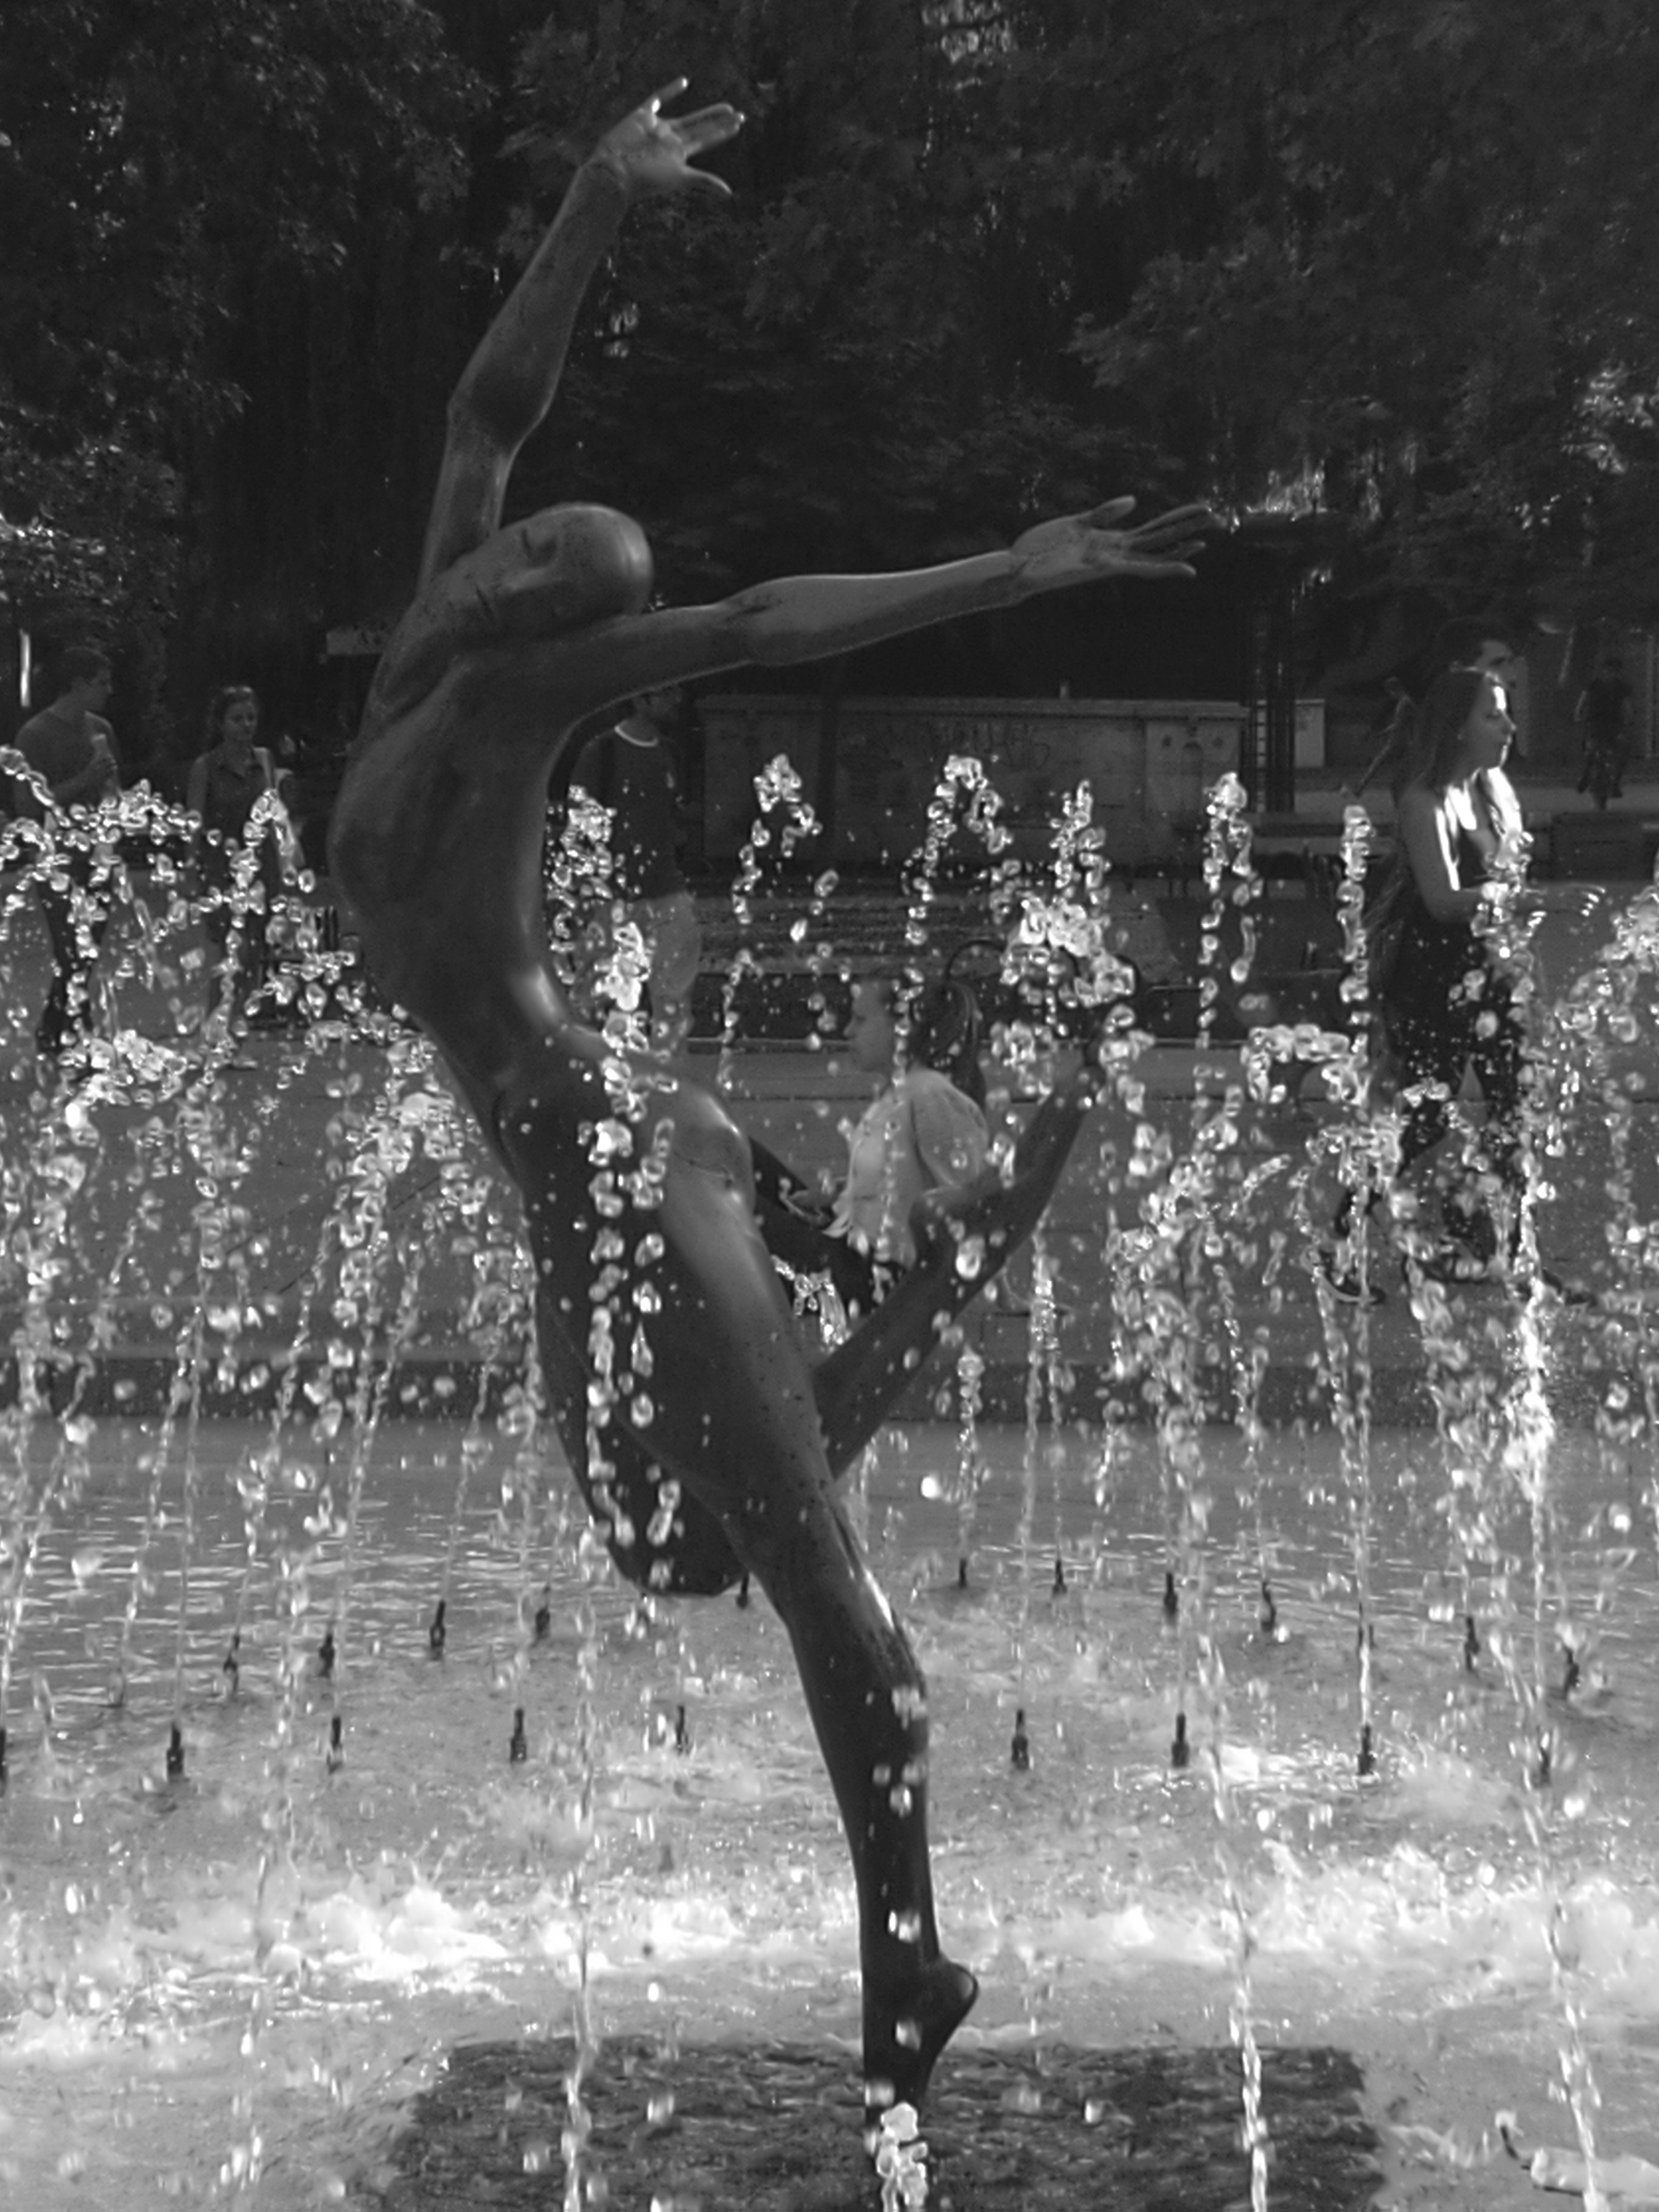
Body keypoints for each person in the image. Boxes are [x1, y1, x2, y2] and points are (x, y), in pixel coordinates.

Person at [327, 81, 1209, 2125]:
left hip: (624, 1169)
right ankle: (952, 1256)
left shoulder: (488, 686)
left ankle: (908, 1969)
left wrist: (1005, 570)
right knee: (685, 1548)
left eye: (544, 554)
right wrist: (589, 197)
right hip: (614, 1161)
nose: (519, 538)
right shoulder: (441, 656)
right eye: (554, 546)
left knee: (801, 1572)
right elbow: (495, 418)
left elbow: (731, 605)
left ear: (534, 600)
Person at [1332, 667, 1596, 1299]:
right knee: (1423, 1119)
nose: (1508, 727)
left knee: (1517, 1112)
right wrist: (1536, 899)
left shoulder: (1493, 790)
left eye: (1506, 715)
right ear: (1456, 726)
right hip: (1434, 980)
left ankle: (1507, 1252)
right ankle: (1339, 1244)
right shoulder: (1424, 800)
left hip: (1491, 974)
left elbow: (1497, 886)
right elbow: (1443, 899)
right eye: (1492, 715)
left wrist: (1519, 925)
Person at [751, 976, 991, 1325]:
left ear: (903, 1028)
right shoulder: (903, 1092)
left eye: (861, 1020)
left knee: (727, 1199)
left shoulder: (932, 1096)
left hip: (875, 1280)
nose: (848, 1031)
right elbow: (900, 1182)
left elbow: (972, 1206)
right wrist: (838, 1196)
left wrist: (993, 1291)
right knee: (742, 1157)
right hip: (850, 1248)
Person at [567, 685, 701, 1052]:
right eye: (667, 693)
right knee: (599, 1004)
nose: (677, 700)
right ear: (641, 699)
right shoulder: (602, 753)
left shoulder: (669, 753)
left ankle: (666, 1078)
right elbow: (578, 829)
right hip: (613, 901)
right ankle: (593, 1075)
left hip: (667, 894)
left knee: (673, 1006)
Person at [12, 644, 121, 1056]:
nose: (109, 690)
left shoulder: (101, 730)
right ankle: (79, 1031)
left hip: (98, 853)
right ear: (77, 684)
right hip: (56, 857)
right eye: (101, 683)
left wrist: (114, 801)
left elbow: (113, 792)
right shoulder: (35, 735)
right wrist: (84, 779)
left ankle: (53, 1028)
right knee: (69, 947)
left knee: (88, 947)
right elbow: (28, 807)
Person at [186, 685, 293, 1027]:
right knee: (230, 951)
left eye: (251, 718)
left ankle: (237, 1026)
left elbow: (274, 814)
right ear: (221, 724)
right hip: (221, 868)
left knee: (254, 952)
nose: (246, 725)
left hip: (262, 866)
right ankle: (215, 1024)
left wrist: (288, 861)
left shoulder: (263, 760)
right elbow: (194, 824)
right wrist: (192, 871)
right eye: (237, 719)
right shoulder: (206, 767)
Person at [1575, 651, 1632, 805]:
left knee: (1624, 747)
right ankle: (1586, 776)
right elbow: (1582, 702)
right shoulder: (1593, 685)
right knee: (1592, 749)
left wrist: (1629, 720)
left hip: (1614, 726)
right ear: (1603, 671)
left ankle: (1615, 782)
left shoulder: (1622, 688)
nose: (1612, 674)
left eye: (1615, 671)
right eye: (1609, 670)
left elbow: (1627, 706)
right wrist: (1579, 715)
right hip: (1595, 725)